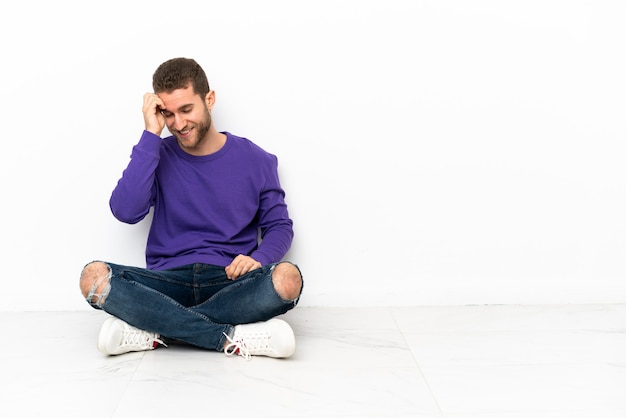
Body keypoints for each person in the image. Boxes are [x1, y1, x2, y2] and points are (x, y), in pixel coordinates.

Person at [79, 57, 303, 360]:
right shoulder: (156, 154)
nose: (179, 124)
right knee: (93, 278)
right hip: (166, 282)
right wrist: (150, 135)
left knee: (287, 279)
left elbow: (279, 226)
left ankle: (154, 328)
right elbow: (125, 211)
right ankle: (231, 337)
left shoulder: (257, 160)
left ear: (209, 99)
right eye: (168, 114)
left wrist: (258, 259)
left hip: (229, 282)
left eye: (186, 110)